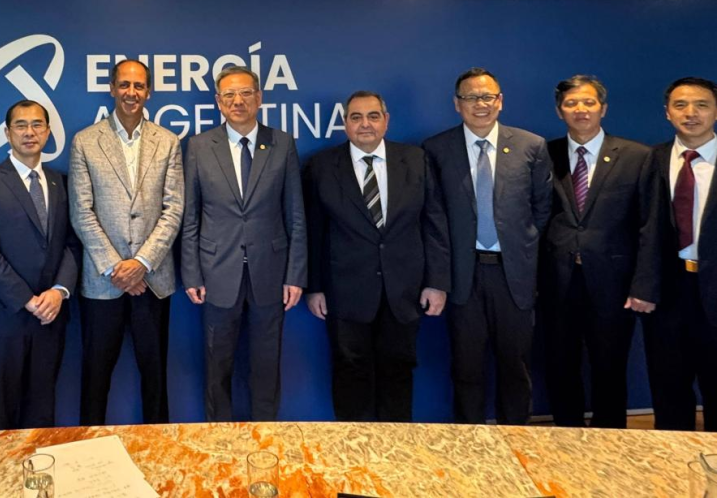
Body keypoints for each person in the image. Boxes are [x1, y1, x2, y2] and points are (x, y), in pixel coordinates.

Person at [303, 90, 449, 421]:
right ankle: (353, 446)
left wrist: (437, 282)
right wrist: (314, 287)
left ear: (386, 120)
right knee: (349, 373)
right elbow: (313, 231)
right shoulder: (321, 166)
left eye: (373, 116)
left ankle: (396, 447)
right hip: (345, 291)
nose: (365, 124)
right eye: (356, 117)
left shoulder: (416, 160)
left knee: (399, 370)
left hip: (405, 290)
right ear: (345, 124)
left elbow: (434, 223)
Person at [423, 67, 552, 425]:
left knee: (515, 367)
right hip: (464, 276)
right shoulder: (436, 149)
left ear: (500, 101)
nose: (480, 104)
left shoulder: (531, 145)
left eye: (487, 96)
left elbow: (542, 210)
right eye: (470, 97)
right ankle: (471, 443)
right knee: (466, 368)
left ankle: (516, 441)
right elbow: (434, 219)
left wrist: (520, 249)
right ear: (457, 104)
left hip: (514, 276)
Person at [181, 65, 307, 421]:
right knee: (216, 366)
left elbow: (295, 214)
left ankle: (265, 436)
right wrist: (192, 273)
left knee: (266, 366)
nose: (238, 101)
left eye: (246, 93)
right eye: (229, 95)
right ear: (219, 102)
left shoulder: (282, 143)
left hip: (271, 272)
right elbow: (191, 216)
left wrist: (295, 274)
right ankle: (219, 437)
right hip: (216, 273)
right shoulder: (200, 146)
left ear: (259, 98)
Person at [68, 58, 184, 425]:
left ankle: (158, 447)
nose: (131, 92)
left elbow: (173, 210)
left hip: (152, 280)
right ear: (112, 89)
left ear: (149, 92)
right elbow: (81, 211)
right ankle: (88, 448)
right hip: (104, 282)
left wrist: (141, 264)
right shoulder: (85, 141)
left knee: (156, 378)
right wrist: (117, 268)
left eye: (138, 86)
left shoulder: (168, 142)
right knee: (95, 378)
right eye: (124, 85)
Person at [541, 75, 649, 428]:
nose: (580, 109)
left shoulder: (636, 156)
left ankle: (610, 439)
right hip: (558, 281)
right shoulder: (544, 154)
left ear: (603, 108)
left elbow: (647, 225)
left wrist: (641, 283)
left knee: (610, 367)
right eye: (571, 103)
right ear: (559, 111)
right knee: (560, 366)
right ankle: (566, 439)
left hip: (614, 282)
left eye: (589, 102)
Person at [0, 100, 79, 430]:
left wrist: (59, 291)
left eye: (37, 124)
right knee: (1, 418)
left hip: (50, 318)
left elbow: (72, 244)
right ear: (7, 133)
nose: (30, 132)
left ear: (48, 132)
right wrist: (28, 300)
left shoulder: (61, 183)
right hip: (2, 318)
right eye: (21, 125)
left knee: (42, 415)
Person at [634, 76, 717, 431]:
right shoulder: (650, 159)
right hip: (669, 290)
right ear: (667, 113)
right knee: (668, 387)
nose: (691, 113)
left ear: (716, 111)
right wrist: (642, 286)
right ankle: (673, 460)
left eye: (702, 105)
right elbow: (641, 228)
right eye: (680, 105)